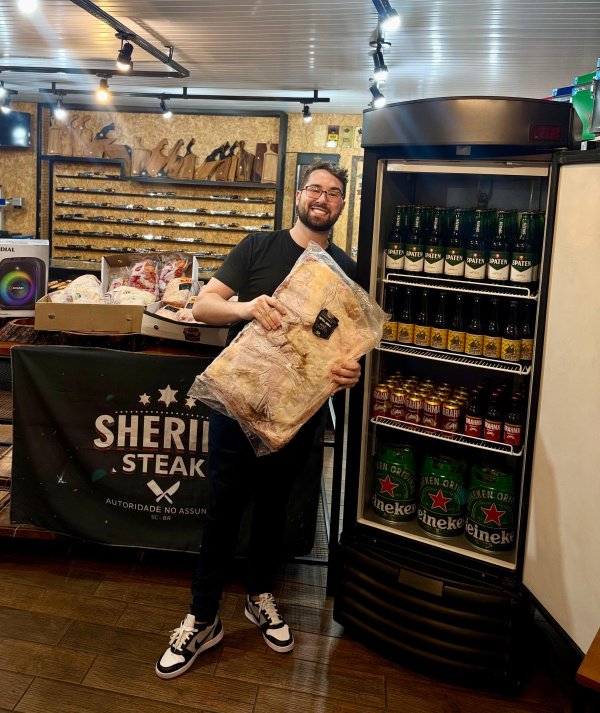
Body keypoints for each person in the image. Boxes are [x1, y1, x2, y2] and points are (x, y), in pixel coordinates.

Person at [155, 161, 360, 679]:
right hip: (237, 404)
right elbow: (204, 307)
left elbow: (347, 344)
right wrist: (245, 308)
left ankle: (259, 596)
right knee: (222, 509)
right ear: (298, 195)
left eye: (334, 192)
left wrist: (349, 369)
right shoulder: (258, 248)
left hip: (297, 414)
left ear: (342, 204)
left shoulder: (346, 269)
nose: (322, 198)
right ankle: (202, 617)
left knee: (274, 508)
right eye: (315, 188)